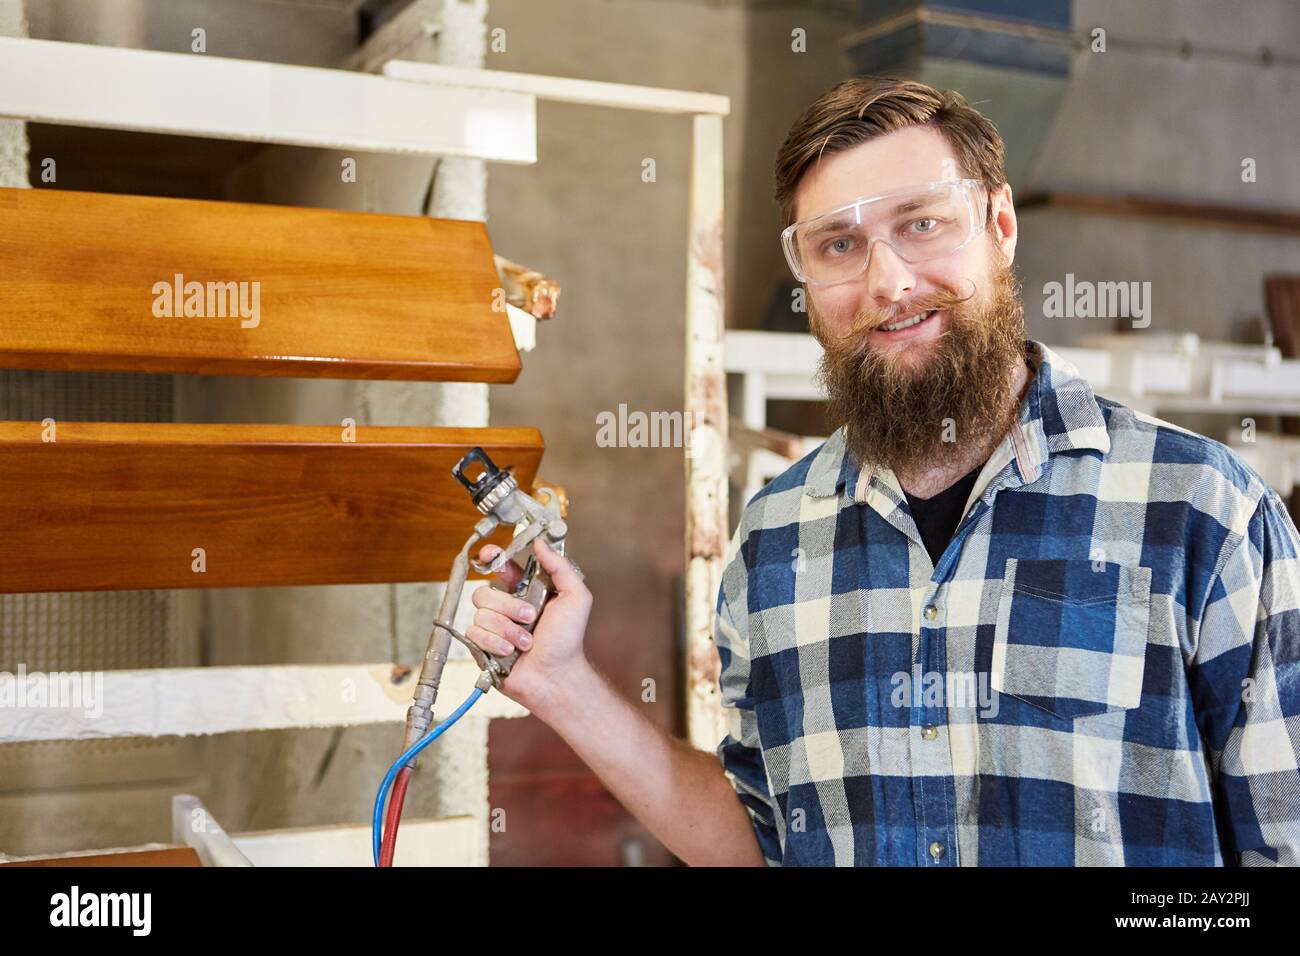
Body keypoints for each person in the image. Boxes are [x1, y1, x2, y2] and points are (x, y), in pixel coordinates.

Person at [468, 76, 1300, 866]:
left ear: (1000, 227)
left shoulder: (1204, 512)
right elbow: (761, 841)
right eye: (839, 244)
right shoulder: (776, 537)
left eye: (922, 223)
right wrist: (566, 684)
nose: (889, 282)